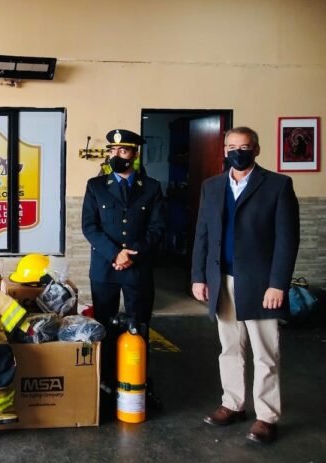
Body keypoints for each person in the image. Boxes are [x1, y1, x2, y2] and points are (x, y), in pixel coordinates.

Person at [192, 126, 299, 444]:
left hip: (261, 284)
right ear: (224, 150)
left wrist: (278, 284)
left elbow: (287, 240)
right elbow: (203, 234)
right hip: (221, 279)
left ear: (256, 149)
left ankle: (266, 416)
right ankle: (233, 403)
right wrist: (199, 276)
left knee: (266, 353)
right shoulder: (211, 187)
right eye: (232, 146)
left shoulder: (278, 185)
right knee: (229, 348)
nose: (238, 151)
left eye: (245, 146)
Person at [81, 129, 166, 418]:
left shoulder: (151, 187)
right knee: (103, 325)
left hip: (138, 268)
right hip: (104, 268)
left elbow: (157, 229)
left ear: (135, 154)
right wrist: (114, 254)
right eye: (113, 151)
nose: (116, 156)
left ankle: (138, 383)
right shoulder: (96, 186)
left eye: (123, 151)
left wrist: (132, 254)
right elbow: (89, 227)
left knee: (139, 327)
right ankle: (104, 384)